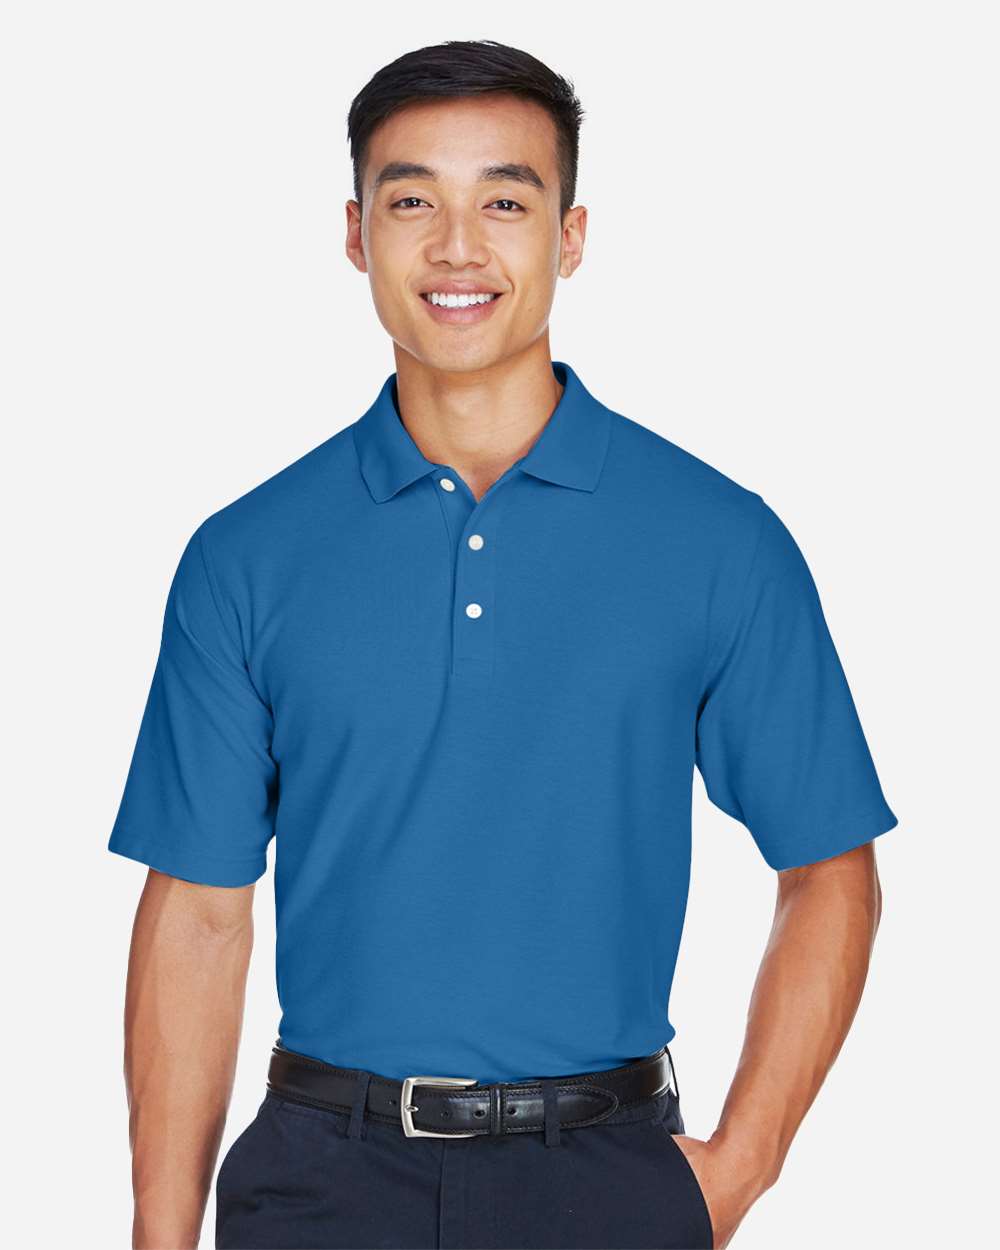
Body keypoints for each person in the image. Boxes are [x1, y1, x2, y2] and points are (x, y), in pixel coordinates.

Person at [108, 38, 899, 1250]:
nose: (457, 247)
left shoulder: (716, 538)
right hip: (320, 1181)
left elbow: (830, 866)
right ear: (356, 234)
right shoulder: (246, 555)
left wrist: (734, 1171)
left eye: (505, 202)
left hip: (606, 1176)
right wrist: (161, 1235)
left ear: (570, 237)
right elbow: (200, 912)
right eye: (412, 201)